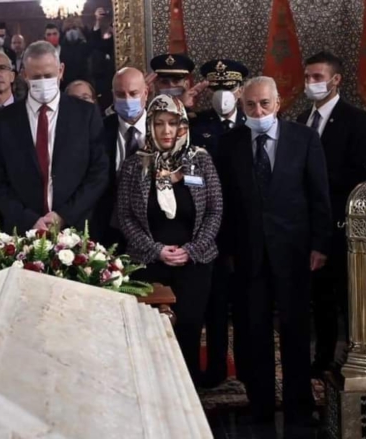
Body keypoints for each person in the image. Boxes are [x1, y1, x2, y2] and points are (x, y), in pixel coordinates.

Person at [218, 76, 330, 433]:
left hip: (294, 252)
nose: (258, 111)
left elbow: (319, 194)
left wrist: (320, 244)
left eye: (264, 104)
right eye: (250, 105)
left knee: (296, 331)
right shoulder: (230, 143)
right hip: (248, 254)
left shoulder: (304, 139)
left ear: (278, 103)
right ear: (242, 107)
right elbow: (225, 203)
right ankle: (260, 407)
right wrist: (227, 251)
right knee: (254, 333)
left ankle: (299, 408)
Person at [118, 94, 222, 385]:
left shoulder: (200, 161)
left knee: (189, 328)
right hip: (148, 262)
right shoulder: (133, 166)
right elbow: (125, 216)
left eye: (173, 123)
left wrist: (192, 250)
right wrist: (156, 250)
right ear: (150, 126)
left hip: (195, 262)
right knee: (152, 332)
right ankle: (155, 391)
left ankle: (188, 391)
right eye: (159, 123)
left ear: (183, 126)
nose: (166, 130)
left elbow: (215, 211)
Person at [297, 51, 366, 377]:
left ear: (336, 79)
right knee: (318, 298)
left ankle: (353, 357)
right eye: (307, 77)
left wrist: (317, 182)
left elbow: (361, 174)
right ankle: (322, 357)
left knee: (345, 296)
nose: (310, 83)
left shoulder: (357, 120)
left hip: (341, 225)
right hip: (306, 225)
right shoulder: (302, 119)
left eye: (317, 77)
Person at [0, 41, 108, 234]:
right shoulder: (3, 121)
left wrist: (64, 215)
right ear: (24, 74)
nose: (43, 82)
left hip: (76, 229)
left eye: (49, 76)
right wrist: (29, 220)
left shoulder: (86, 114)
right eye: (36, 77)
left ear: (61, 70)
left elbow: (99, 172)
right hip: (21, 231)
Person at [190, 59, 249, 388]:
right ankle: (215, 368)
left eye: (229, 88)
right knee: (214, 302)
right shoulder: (197, 125)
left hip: (243, 226)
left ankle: (247, 368)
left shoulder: (251, 123)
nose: (222, 94)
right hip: (208, 226)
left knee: (246, 302)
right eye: (216, 88)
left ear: (240, 90)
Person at [92, 67, 148, 251]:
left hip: (152, 231)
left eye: (133, 93)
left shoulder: (163, 129)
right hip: (109, 229)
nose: (127, 100)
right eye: (120, 94)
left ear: (146, 93)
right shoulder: (99, 130)